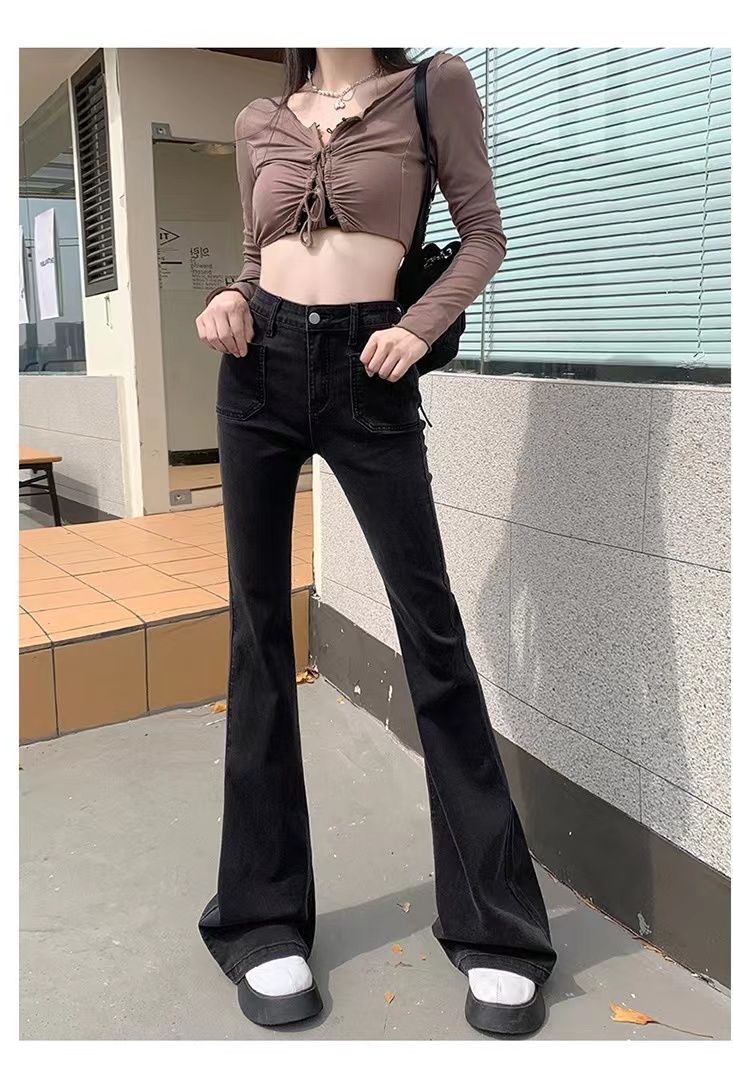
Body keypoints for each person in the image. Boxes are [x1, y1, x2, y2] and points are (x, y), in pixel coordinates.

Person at [195, 47, 557, 1036]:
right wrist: (230, 296)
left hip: (373, 368)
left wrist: (421, 323)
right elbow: (255, 258)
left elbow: (483, 233)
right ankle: (262, 919)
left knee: (432, 636)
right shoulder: (260, 116)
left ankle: (497, 929)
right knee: (258, 635)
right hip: (256, 371)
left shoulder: (432, 87)